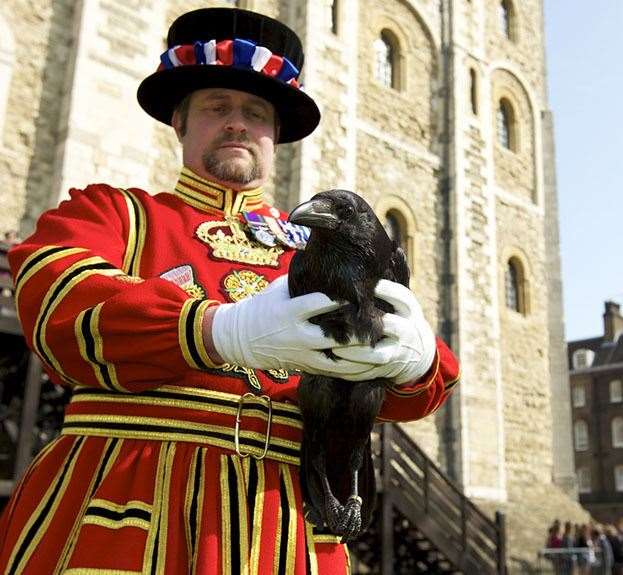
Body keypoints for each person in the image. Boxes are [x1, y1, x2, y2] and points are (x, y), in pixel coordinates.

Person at [0, 7, 459, 574]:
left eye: (256, 113)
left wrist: (415, 363)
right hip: (133, 503)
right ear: (180, 123)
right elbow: (59, 302)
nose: (239, 123)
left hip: (286, 524)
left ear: (275, 137)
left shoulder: (317, 248)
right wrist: (217, 330)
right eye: (218, 107)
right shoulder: (116, 213)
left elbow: (403, 388)